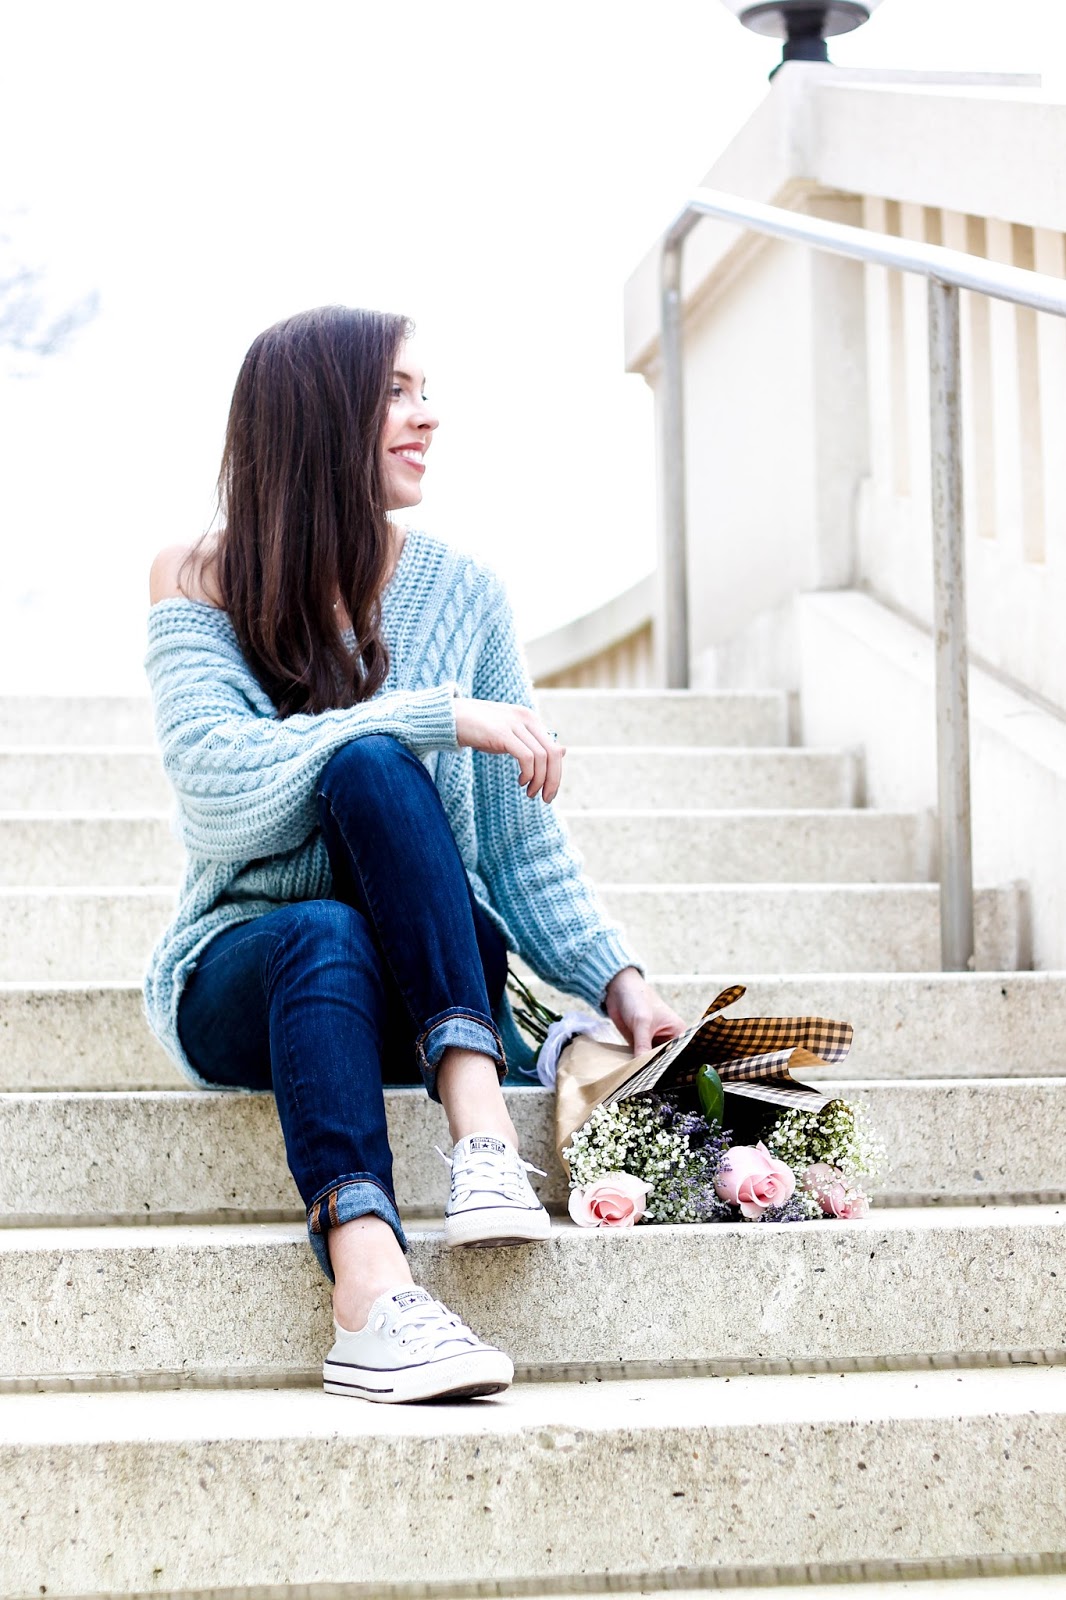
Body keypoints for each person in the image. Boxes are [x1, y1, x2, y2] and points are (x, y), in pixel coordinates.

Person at [143, 305, 685, 1405]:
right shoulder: (198, 578)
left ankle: (482, 1138)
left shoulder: (465, 591)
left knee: (378, 771)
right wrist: (438, 715)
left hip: (425, 990)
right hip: (248, 972)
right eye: (397, 390)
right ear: (315, 412)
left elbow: (523, 842)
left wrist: (621, 982)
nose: (427, 416)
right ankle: (370, 1296)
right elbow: (219, 791)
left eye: (425, 390)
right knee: (349, 844)